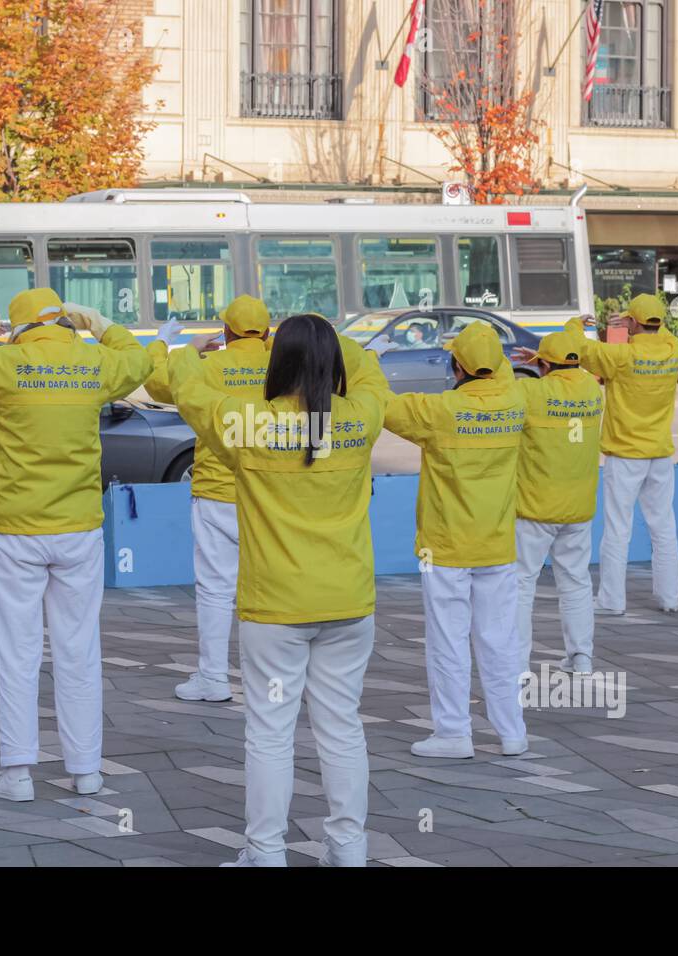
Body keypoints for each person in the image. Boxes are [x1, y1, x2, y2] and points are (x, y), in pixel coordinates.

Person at [167, 313, 389, 868]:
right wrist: (338, 345)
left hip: (276, 610)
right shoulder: (361, 417)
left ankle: (266, 854)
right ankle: (348, 850)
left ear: (276, 361)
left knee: (270, 734)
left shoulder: (248, 424)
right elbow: (371, 371)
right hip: (348, 603)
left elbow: (190, 392)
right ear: (333, 361)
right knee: (342, 728)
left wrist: (187, 351)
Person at [0, 288, 152, 801]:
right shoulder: (93, 363)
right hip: (79, 527)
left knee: (17, 652)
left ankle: (18, 773)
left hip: (15, 529)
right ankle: (86, 770)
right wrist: (103, 322)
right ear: (66, 324)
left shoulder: (3, 364)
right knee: (79, 649)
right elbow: (141, 359)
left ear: (17, 329)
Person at [383, 322, 529, 759]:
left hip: (444, 546)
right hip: (498, 544)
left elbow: (381, 405)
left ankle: (453, 733)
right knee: (500, 641)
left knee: (448, 641)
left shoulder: (439, 410)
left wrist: (366, 362)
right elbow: (497, 376)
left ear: (455, 367)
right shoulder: (516, 402)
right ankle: (512, 732)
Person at [144, 295, 272, 702]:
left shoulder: (206, 367)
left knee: (216, 589)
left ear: (226, 332)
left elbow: (158, 382)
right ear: (267, 333)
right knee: (268, 589)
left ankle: (213, 678)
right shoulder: (284, 367)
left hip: (217, 492)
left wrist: (174, 346)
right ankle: (270, 680)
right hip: (272, 493)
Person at [562, 294, 678, 616]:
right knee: (664, 526)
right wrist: (641, 320)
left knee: (618, 528)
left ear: (632, 323)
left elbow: (577, 348)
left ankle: (612, 601)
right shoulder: (675, 350)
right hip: (660, 453)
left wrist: (576, 324)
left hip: (625, 455)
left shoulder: (619, 356)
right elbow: (662, 331)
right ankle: (670, 598)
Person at [509, 332, 603, 676]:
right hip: (578, 507)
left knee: (521, 584)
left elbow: (495, 382)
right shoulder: (593, 390)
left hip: (535, 507)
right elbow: (566, 366)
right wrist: (548, 356)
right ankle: (581, 658)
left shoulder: (532, 392)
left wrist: (527, 363)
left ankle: (518, 666)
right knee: (576, 582)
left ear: (545, 366)